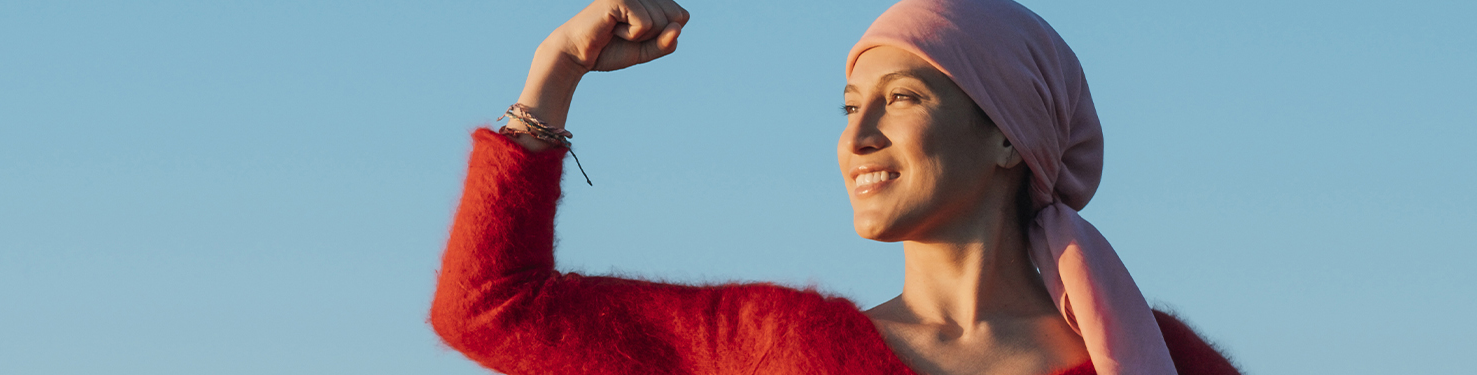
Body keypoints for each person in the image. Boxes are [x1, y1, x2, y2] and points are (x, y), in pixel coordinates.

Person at [430, 0, 1240, 374]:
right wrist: (555, 75)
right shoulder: (770, 345)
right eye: (850, 107)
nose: (857, 138)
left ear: (1005, 137)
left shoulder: (1153, 356)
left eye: (904, 99)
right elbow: (492, 307)